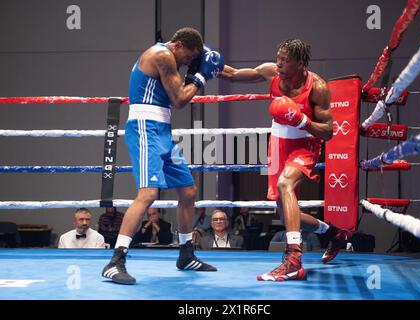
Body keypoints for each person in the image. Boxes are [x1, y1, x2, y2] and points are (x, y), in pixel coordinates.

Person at [102, 27, 224, 284]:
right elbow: (179, 99)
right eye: (188, 58)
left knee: (188, 191)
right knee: (147, 194)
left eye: (192, 61)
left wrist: (264, 73)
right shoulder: (162, 55)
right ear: (178, 45)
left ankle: (186, 254)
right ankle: (115, 262)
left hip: (163, 131)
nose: (187, 63)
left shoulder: (177, 55)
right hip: (145, 128)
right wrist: (200, 78)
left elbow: (227, 71)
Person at [220, 39, 350, 281]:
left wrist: (303, 121)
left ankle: (293, 259)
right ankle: (335, 234)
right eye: (277, 57)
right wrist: (208, 65)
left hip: (305, 144)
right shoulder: (272, 72)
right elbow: (235, 73)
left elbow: (329, 131)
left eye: (284, 60)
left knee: (285, 184)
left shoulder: (317, 87)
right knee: (287, 213)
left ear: (300, 63)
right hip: (278, 143)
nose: (278, 63)